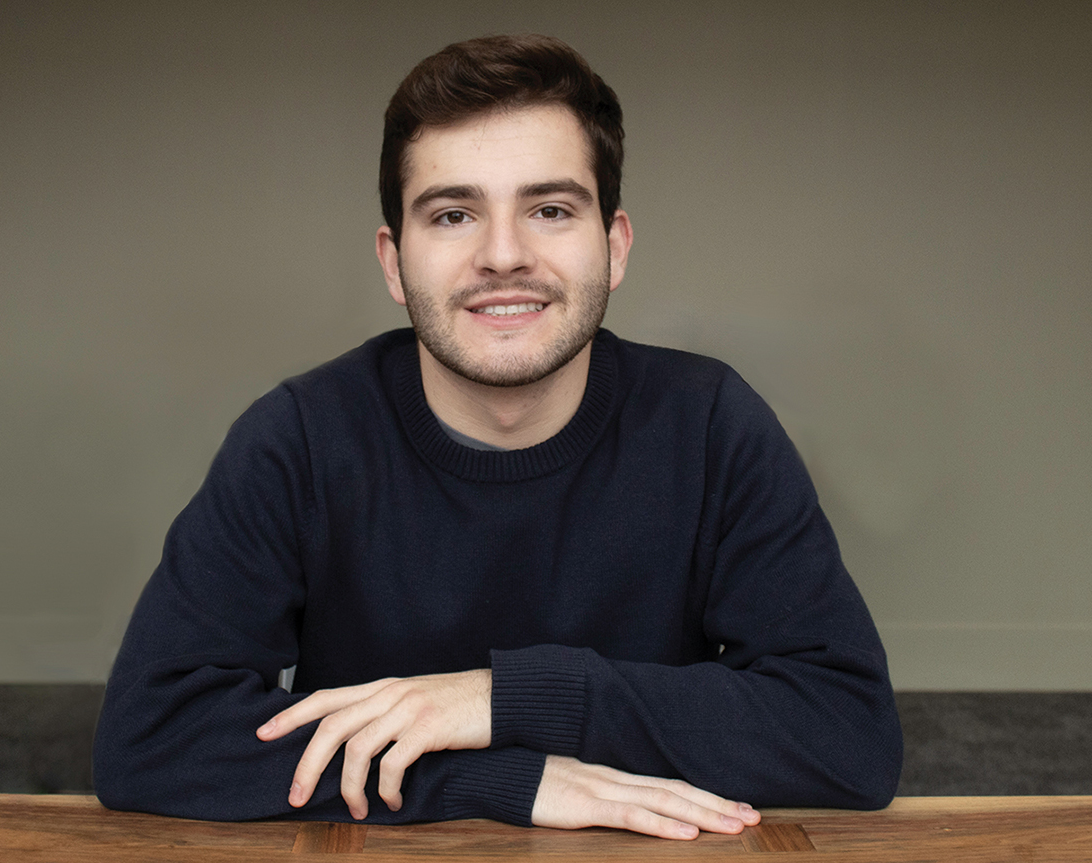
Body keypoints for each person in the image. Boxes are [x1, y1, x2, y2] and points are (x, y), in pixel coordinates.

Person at [92, 34, 903, 841]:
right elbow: (152, 736)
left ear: (614, 247)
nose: (503, 256)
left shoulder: (711, 422)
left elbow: (847, 733)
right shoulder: (299, 438)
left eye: (550, 210)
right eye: (453, 214)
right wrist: (498, 776)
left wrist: (500, 698)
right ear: (394, 262)